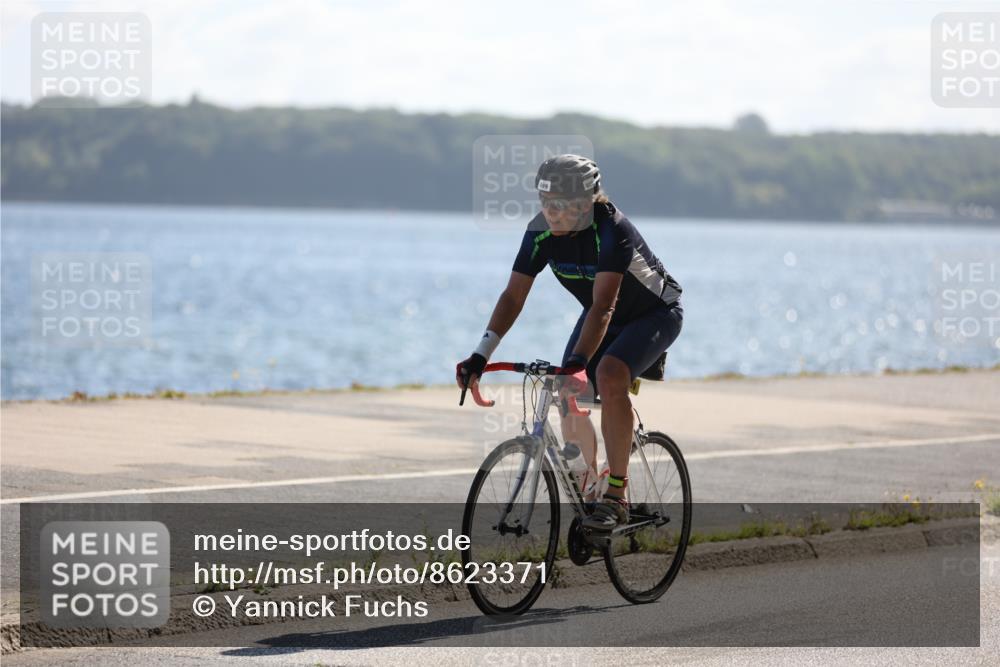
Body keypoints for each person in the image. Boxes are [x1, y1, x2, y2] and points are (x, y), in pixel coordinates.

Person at [456, 154, 683, 532]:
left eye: (562, 205)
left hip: (653, 314)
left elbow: (604, 307)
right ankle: (590, 486)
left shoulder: (613, 230)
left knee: (609, 375)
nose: (552, 213)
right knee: (564, 390)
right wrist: (481, 355)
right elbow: (512, 297)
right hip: (599, 313)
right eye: (545, 203)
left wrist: (579, 361)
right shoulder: (539, 231)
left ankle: (615, 494)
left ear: (588, 202)